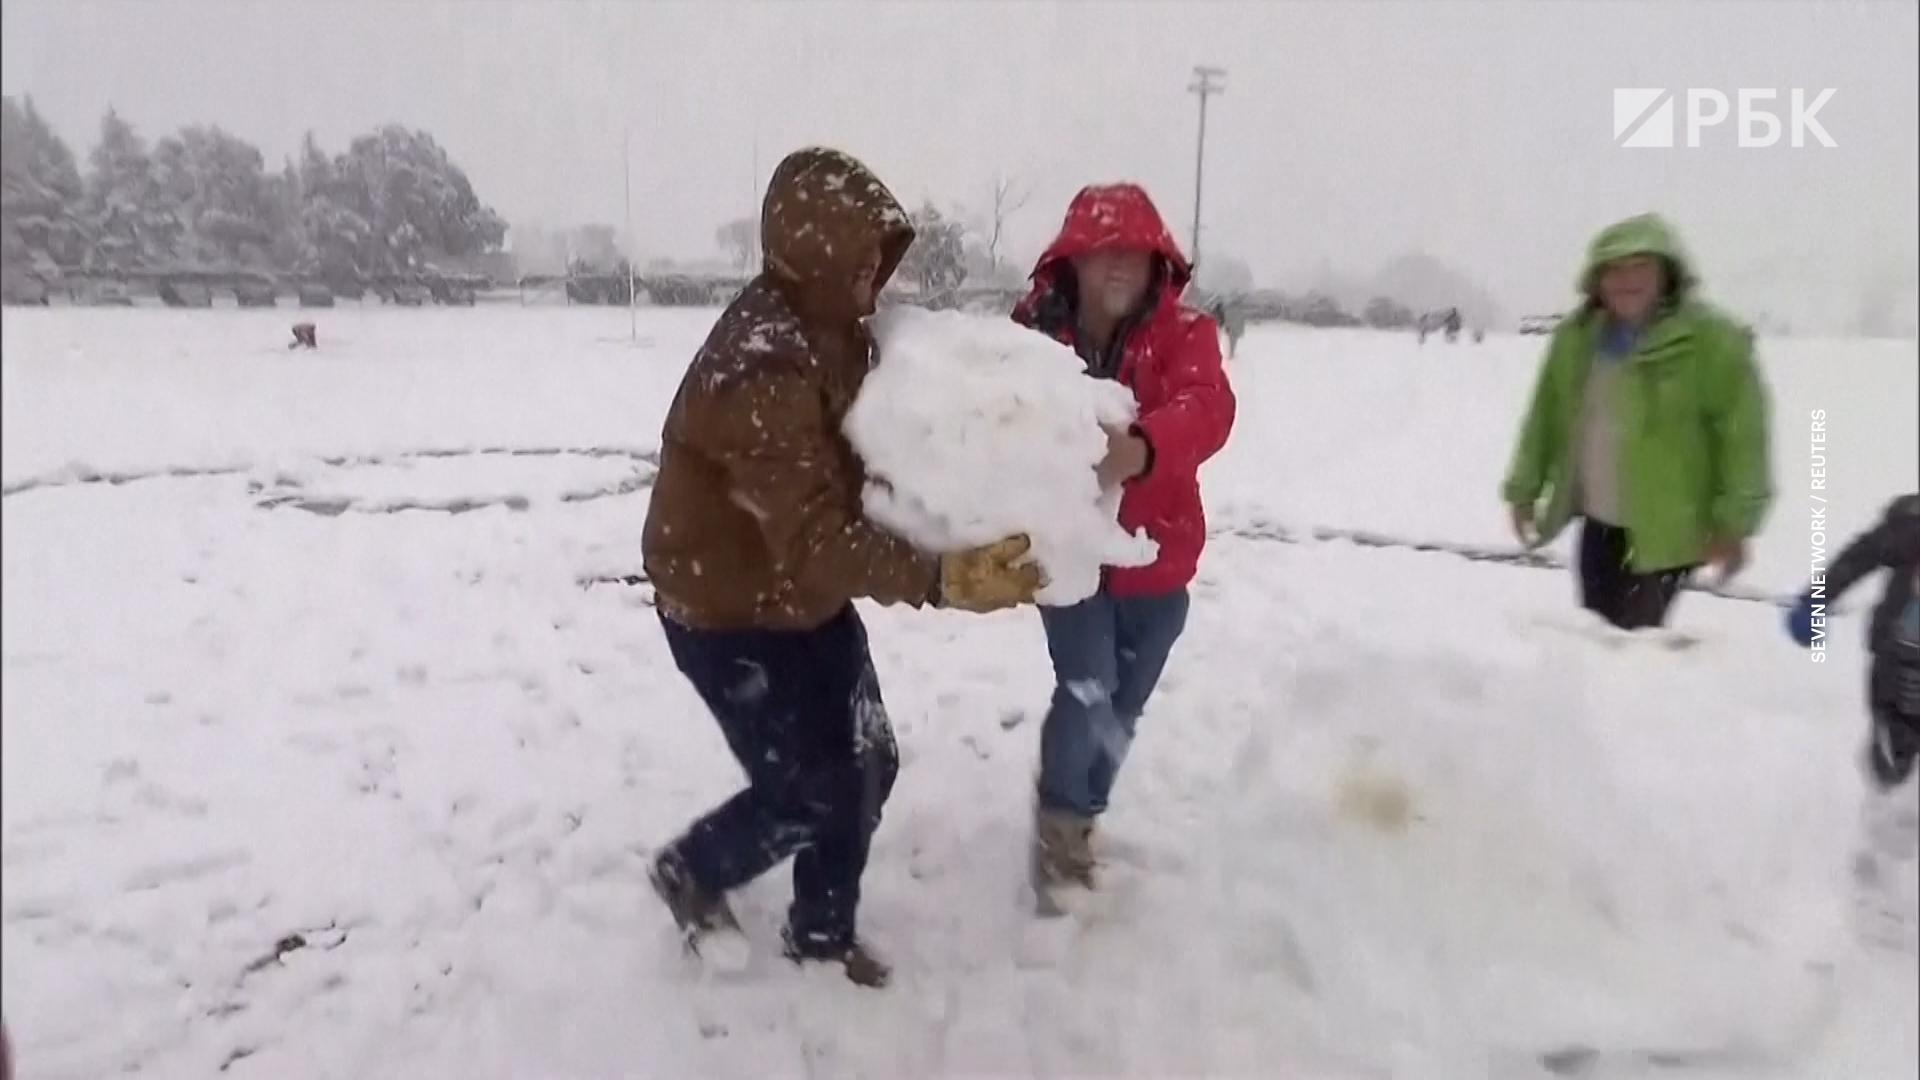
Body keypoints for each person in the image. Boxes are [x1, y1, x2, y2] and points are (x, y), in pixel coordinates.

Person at [641, 147, 1042, 986]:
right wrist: (943, 577)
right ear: (816, 249)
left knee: (865, 767)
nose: (877, 272)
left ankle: (821, 932)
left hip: (800, 598)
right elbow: (816, 536)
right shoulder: (759, 366)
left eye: (880, 253)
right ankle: (694, 871)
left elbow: (897, 446)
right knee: (806, 790)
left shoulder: (841, 336)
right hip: (725, 612)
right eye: (862, 253)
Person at [1011, 184, 1236, 899]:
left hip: (1157, 557)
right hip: (1070, 553)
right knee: (1087, 689)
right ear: (1071, 261)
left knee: (1125, 703)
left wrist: (1141, 448)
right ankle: (1062, 823)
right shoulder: (1033, 335)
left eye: (1134, 255)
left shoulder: (1185, 334)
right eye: (1102, 252)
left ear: (1156, 265)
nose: (1118, 267)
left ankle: (1085, 804)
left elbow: (1207, 406)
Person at [1501, 213, 1772, 630]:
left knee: (1635, 648)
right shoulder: (1577, 340)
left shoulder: (1712, 342)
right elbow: (1545, 418)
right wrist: (1523, 490)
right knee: (1596, 632)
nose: (1626, 280)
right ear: (1596, 280)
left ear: (1667, 274)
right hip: (1599, 523)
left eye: (1641, 266)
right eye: (1614, 269)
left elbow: (1743, 439)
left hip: (1667, 530)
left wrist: (1734, 524)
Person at [1787, 493, 1920, 948]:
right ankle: (1873, 883)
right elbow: (1858, 557)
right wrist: (1814, 601)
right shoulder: (1910, 529)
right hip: (1896, 678)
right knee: (1889, 775)